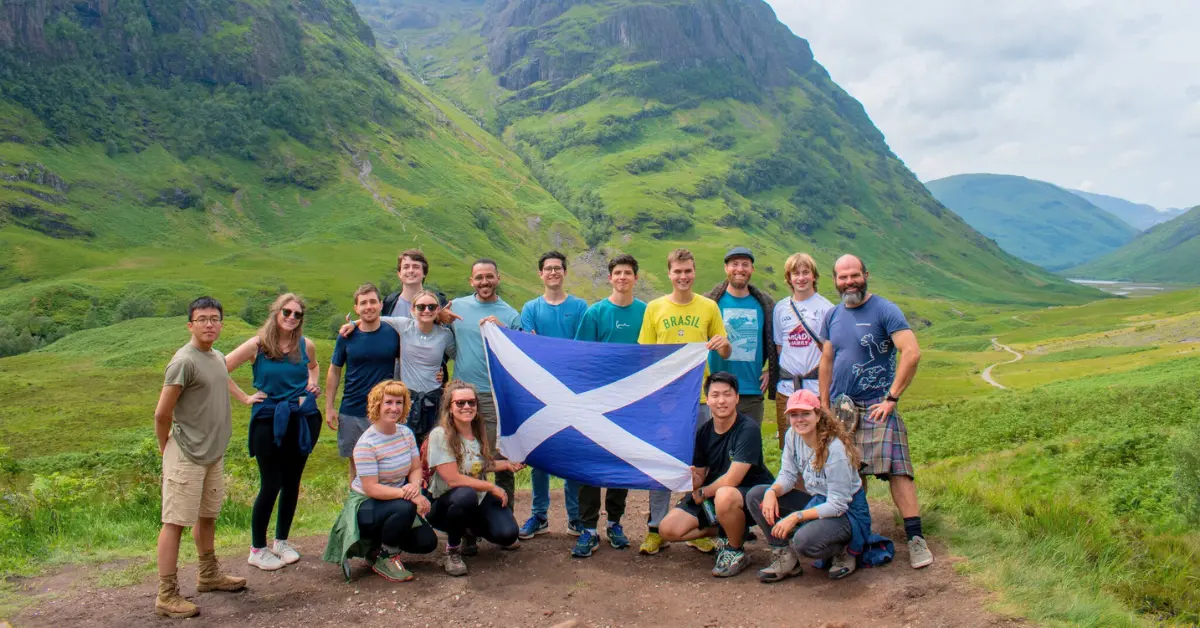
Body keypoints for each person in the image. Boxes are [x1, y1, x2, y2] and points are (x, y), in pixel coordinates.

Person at [819, 254, 932, 569]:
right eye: (843, 277)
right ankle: (856, 539)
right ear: (835, 281)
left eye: (854, 275)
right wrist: (824, 403)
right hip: (841, 408)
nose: (849, 282)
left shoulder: (885, 309)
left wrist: (891, 398)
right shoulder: (832, 316)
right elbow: (827, 360)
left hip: (877, 406)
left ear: (865, 275)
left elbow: (912, 352)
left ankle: (916, 539)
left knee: (898, 471)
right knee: (849, 474)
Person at [152, 297, 247, 619]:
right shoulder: (184, 362)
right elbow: (162, 413)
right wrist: (166, 448)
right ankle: (166, 594)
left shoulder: (217, 356)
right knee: (175, 522)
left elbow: (222, 379)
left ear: (221, 323)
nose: (209, 324)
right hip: (187, 453)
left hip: (212, 454)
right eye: (202, 319)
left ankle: (208, 574)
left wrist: (245, 397)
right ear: (190, 324)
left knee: (208, 515)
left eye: (214, 318)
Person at [637, 248, 731, 556]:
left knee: (700, 464)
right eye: (678, 271)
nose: (683, 276)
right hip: (664, 400)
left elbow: (726, 351)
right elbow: (645, 356)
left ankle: (694, 525)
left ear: (694, 272)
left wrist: (723, 344)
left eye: (688, 271)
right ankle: (656, 528)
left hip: (699, 398)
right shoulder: (654, 308)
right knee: (660, 463)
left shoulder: (708, 307)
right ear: (669, 273)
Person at [225, 293, 323, 571]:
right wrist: (244, 397)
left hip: (302, 418)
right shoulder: (258, 345)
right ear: (276, 313)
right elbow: (220, 368)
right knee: (272, 482)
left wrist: (311, 385)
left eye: (297, 314)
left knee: (292, 481)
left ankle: (281, 542)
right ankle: (257, 548)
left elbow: (313, 368)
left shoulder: (306, 345)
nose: (292, 318)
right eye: (287, 312)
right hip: (268, 418)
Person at [658, 372, 775, 577]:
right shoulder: (703, 432)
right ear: (708, 400)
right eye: (715, 395)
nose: (721, 401)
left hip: (749, 495)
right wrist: (692, 479)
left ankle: (734, 549)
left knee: (724, 495)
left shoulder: (748, 429)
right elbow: (700, 476)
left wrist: (702, 492)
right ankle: (730, 529)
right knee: (668, 530)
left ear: (737, 398)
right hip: (714, 494)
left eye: (727, 394)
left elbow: (733, 479)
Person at [322, 380, 438, 582]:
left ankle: (375, 547)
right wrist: (409, 496)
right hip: (367, 505)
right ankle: (386, 555)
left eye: (399, 403)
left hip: (396, 500)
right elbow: (371, 488)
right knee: (405, 508)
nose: (394, 408)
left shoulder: (406, 434)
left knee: (427, 542)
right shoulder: (367, 444)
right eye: (389, 402)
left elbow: (416, 468)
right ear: (377, 405)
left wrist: (414, 486)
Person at [570, 254, 646, 558]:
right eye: (618, 273)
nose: (623, 277)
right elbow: (581, 356)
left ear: (635, 278)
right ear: (610, 278)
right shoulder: (595, 313)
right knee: (591, 465)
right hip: (596, 401)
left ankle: (615, 522)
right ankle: (588, 528)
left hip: (631, 403)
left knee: (619, 463)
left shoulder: (647, 312)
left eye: (628, 272)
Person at [746, 389, 865, 583]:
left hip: (848, 513)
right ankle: (784, 556)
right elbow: (787, 475)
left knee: (804, 541)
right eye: (794, 414)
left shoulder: (835, 450)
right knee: (757, 495)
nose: (799, 419)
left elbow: (838, 504)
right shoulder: (792, 435)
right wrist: (771, 491)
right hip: (818, 501)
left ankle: (844, 548)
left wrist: (796, 516)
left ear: (818, 415)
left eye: (805, 413)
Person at [518, 251, 590, 540]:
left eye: (558, 268)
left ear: (565, 272)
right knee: (540, 455)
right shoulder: (530, 308)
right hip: (540, 392)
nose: (553, 273)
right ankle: (539, 514)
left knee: (572, 454)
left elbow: (582, 347)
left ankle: (575, 517)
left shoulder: (580, 306)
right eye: (547, 269)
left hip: (573, 391)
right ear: (540, 274)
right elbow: (528, 347)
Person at [445, 258, 522, 512]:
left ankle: (504, 516)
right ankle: (468, 525)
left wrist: (504, 332)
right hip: (461, 395)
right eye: (479, 277)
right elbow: (431, 330)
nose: (484, 282)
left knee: (498, 458)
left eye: (489, 276)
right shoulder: (456, 307)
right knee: (464, 458)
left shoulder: (510, 315)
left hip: (493, 395)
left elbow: (521, 352)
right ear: (471, 281)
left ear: (498, 279)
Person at [424, 381, 524, 575]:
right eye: (460, 403)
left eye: (471, 402)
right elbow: (453, 479)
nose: (467, 407)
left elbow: (478, 465)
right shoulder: (440, 435)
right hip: (446, 503)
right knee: (465, 495)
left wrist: (507, 465)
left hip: (475, 499)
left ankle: (468, 532)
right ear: (450, 408)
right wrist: (491, 487)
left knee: (507, 534)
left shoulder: (477, 430)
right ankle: (452, 550)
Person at [326, 283, 400, 481]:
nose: (369, 307)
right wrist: (329, 407)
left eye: (373, 302)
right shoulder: (346, 336)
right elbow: (334, 370)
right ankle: (356, 510)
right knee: (357, 466)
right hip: (352, 410)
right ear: (356, 308)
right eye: (363, 303)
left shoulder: (393, 333)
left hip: (385, 410)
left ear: (381, 305)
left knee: (387, 464)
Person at [704, 246, 777, 425]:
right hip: (719, 392)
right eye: (734, 264)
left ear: (752, 269)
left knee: (748, 450)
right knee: (717, 449)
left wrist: (771, 370)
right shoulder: (710, 302)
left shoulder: (765, 304)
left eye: (745, 264)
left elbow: (778, 341)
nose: (740, 269)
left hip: (752, 391)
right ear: (726, 269)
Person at [771, 253, 833, 448]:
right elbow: (780, 348)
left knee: (818, 445)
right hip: (787, 390)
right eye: (795, 273)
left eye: (806, 272)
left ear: (814, 276)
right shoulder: (780, 308)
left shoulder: (826, 309)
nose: (801, 278)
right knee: (788, 446)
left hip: (815, 389)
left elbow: (830, 352)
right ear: (788, 278)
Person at [382, 249, 447, 317]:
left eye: (416, 267)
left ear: (424, 273)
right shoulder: (388, 303)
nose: (411, 271)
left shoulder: (438, 302)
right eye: (406, 267)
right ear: (399, 274)